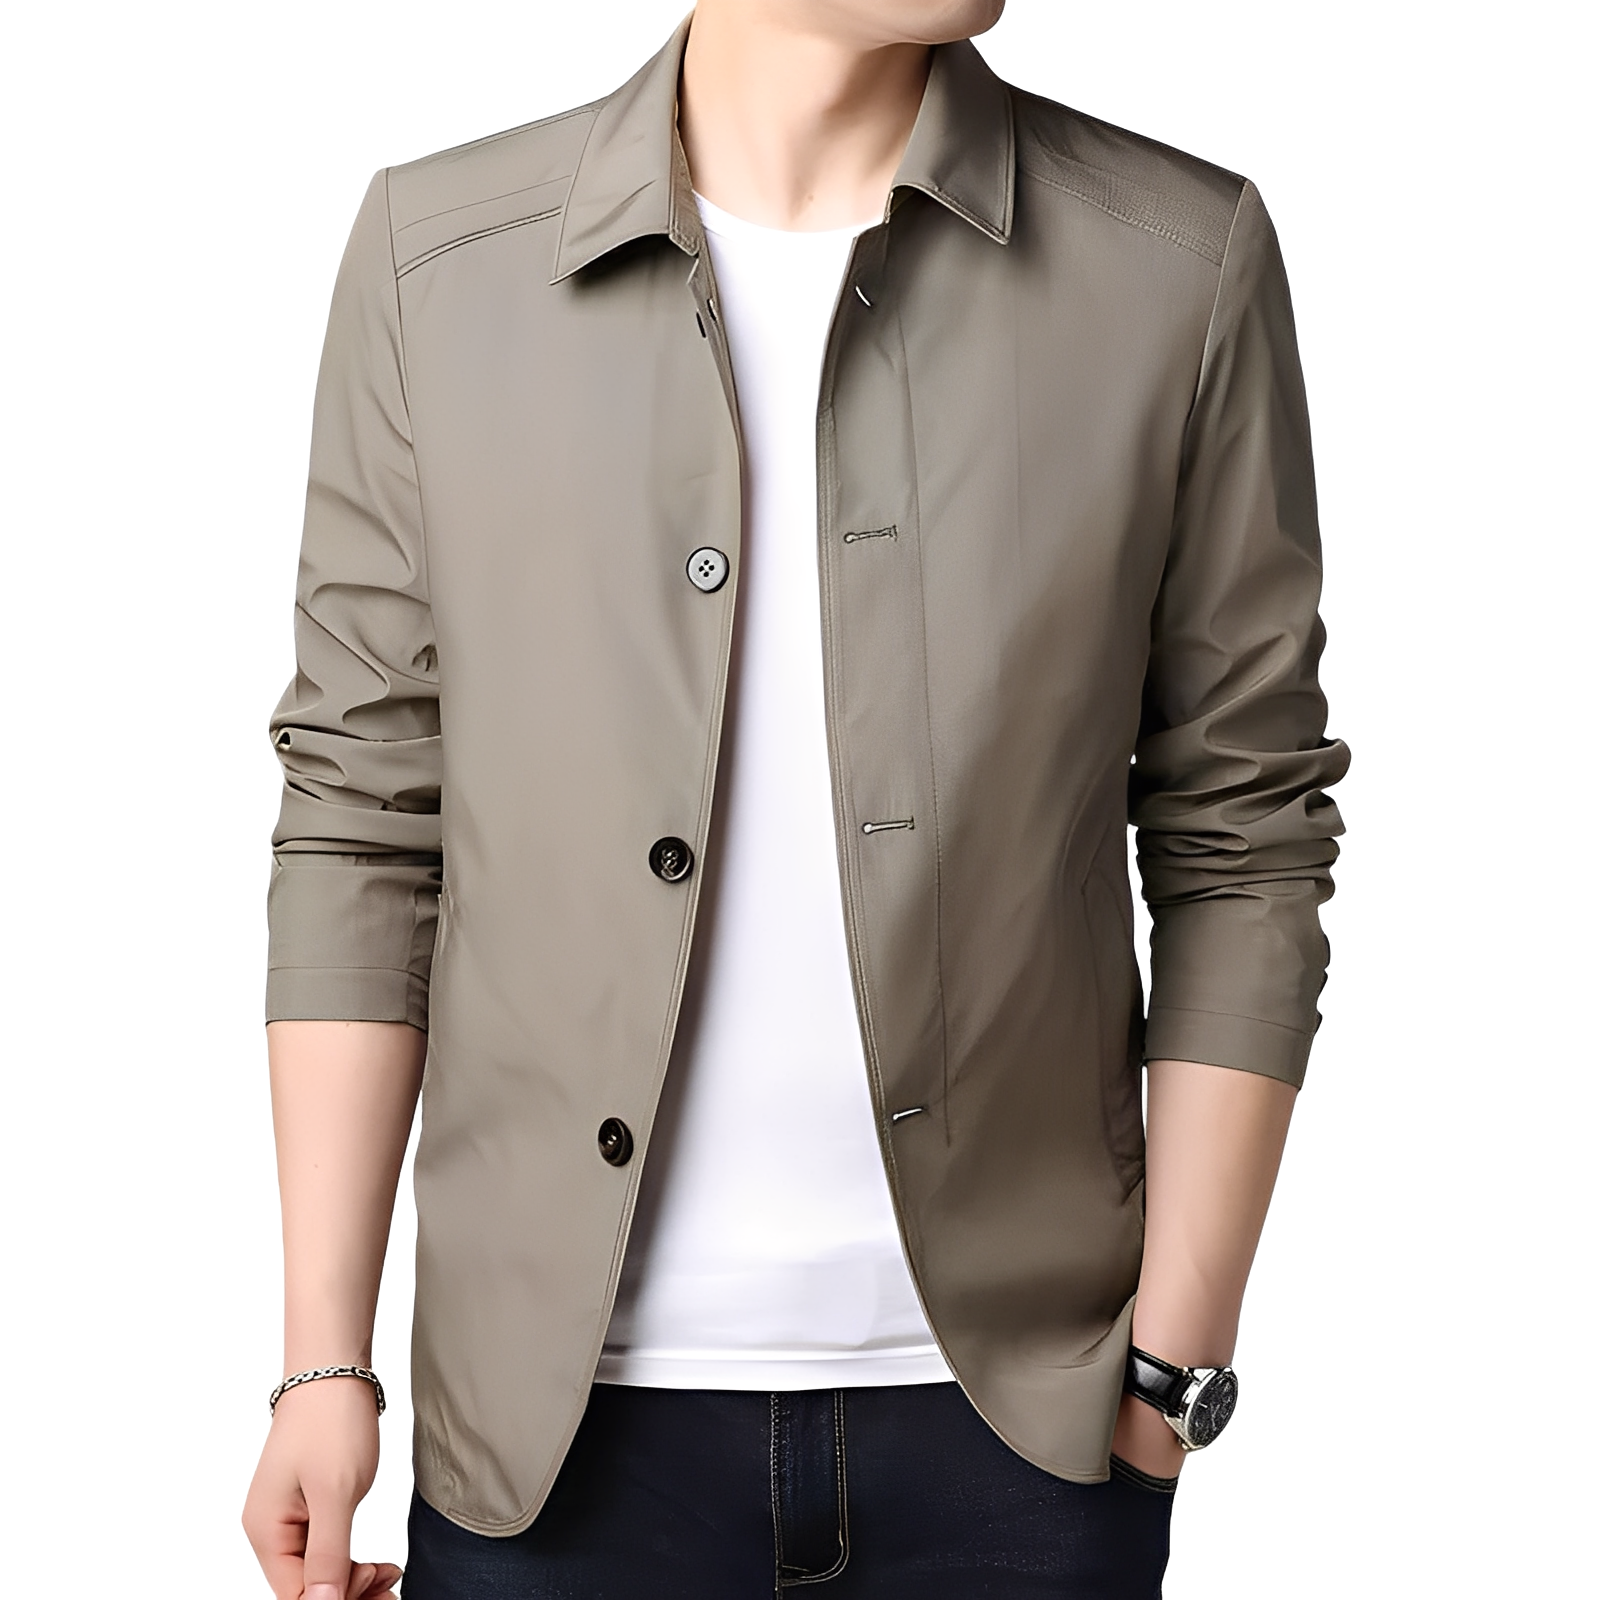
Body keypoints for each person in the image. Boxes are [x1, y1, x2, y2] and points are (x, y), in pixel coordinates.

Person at [242, 2, 1348, 1595]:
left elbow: (1244, 832)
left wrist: (1172, 1371)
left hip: (1021, 1446)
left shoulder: (1176, 262)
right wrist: (322, 1363)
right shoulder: (441, 261)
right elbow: (363, 817)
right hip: (548, 1454)